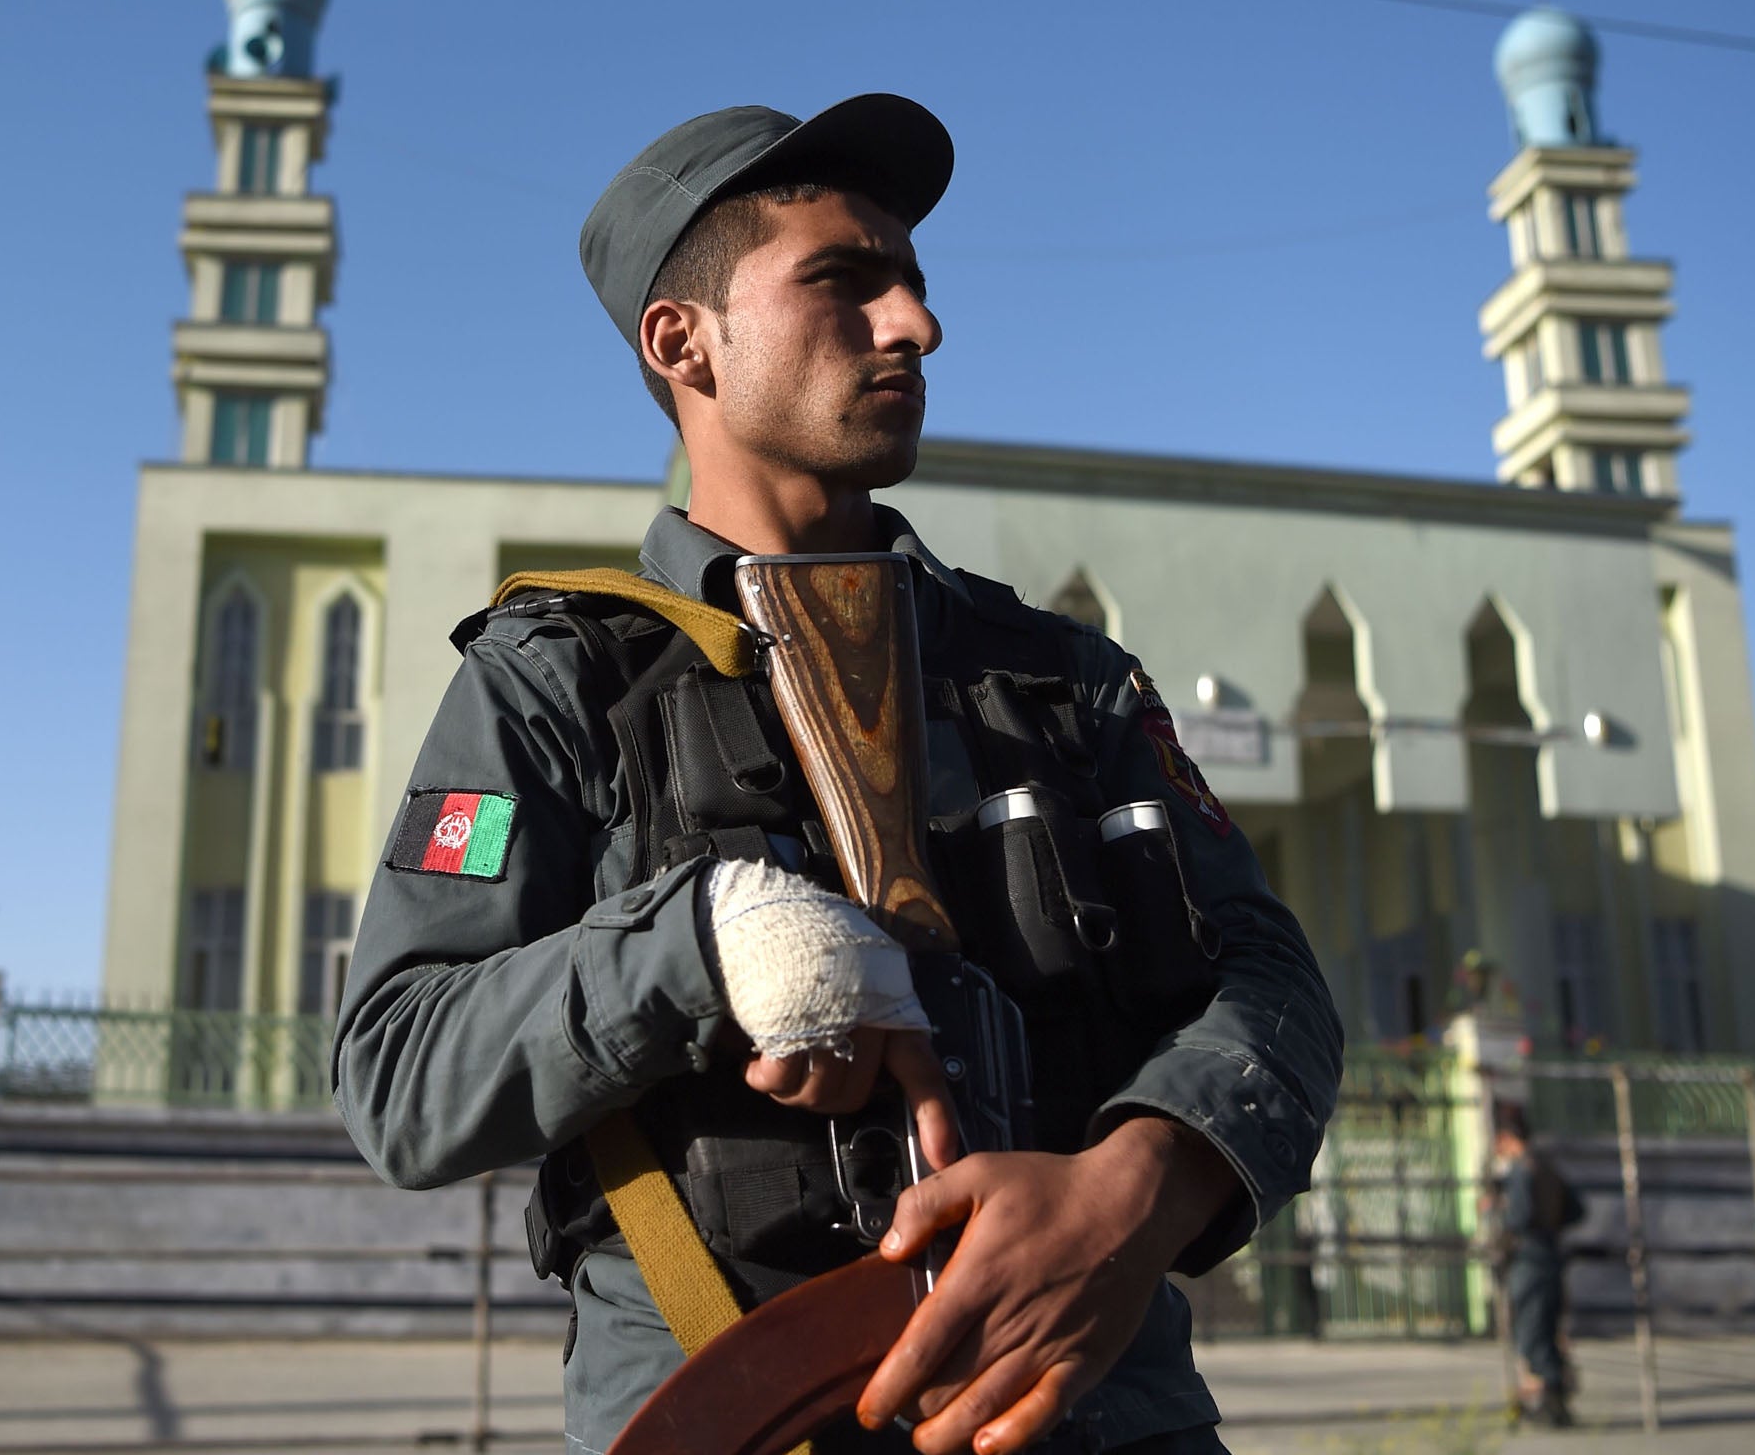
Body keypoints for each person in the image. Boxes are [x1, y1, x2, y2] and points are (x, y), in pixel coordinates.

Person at [332, 93, 1343, 1455]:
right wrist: (697, 942)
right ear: (682, 340)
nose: (916, 324)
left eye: (915, 286)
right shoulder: (551, 679)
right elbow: (396, 1069)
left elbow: (1271, 978)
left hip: (1104, 1419)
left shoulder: (1062, 676)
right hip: (738, 1414)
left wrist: (1144, 1183)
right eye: (844, 281)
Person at [1483, 1103, 1582, 1428]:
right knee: (1547, 1328)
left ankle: (1550, 1401)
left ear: (1507, 1137)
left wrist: (1495, 1207)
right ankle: (1553, 1401)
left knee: (1532, 1332)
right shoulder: (1546, 1168)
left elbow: (1518, 1217)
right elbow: (1576, 1210)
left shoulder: (1519, 1171)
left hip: (1528, 1259)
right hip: (1551, 1254)